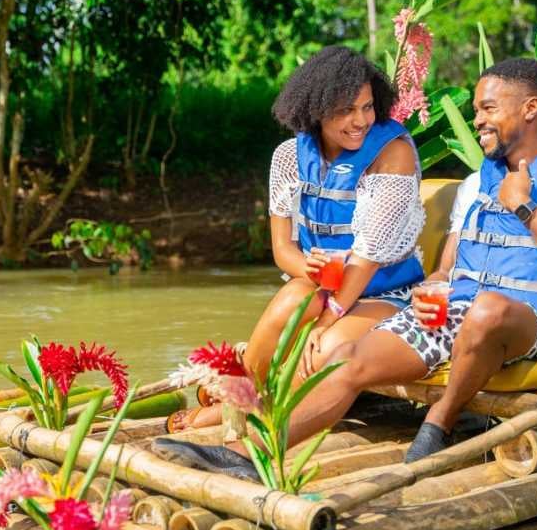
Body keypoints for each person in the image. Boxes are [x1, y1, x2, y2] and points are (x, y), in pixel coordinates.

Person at [153, 57, 537, 479]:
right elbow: (447, 269)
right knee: (345, 357)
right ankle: (248, 453)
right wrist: (433, 287)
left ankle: (438, 424)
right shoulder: (479, 181)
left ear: (530, 108)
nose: (476, 119)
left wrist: (524, 207)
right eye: (477, 109)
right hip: (461, 313)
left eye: (487, 109)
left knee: (489, 310)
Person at [165, 45, 426, 433]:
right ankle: (240, 392)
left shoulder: (394, 154)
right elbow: (282, 249)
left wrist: (326, 319)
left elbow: (368, 256)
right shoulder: (289, 155)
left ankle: (232, 410)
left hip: (387, 295)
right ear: (316, 109)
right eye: (345, 111)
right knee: (291, 298)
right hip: (326, 286)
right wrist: (309, 267)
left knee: (323, 349)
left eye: (368, 107)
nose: (360, 121)